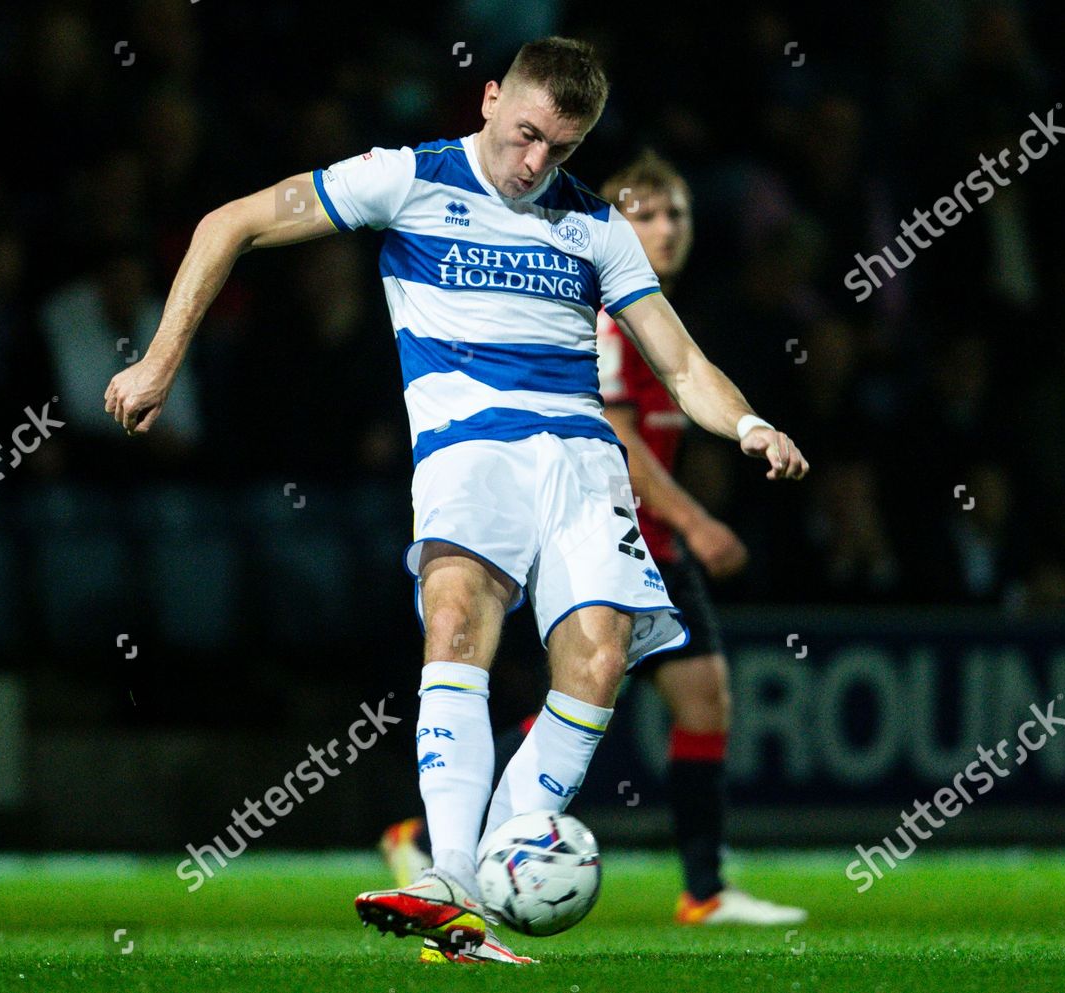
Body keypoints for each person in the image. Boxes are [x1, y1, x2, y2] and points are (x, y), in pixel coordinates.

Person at [103, 37, 808, 963]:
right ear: (486, 99)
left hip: (579, 462)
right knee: (455, 617)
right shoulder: (406, 178)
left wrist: (750, 424)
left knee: (596, 660)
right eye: (523, 136)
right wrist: (159, 358)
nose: (533, 165)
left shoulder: (595, 227)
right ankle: (449, 877)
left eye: (559, 149)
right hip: (467, 451)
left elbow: (679, 363)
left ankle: (481, 879)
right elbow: (226, 223)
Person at [380, 150, 806, 926]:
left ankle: (696, 886)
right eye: (646, 213)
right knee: (606, 683)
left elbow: (676, 395)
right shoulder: (601, 320)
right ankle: (452, 844)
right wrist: (696, 517)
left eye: (676, 212)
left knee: (672, 694)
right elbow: (616, 434)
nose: (665, 227)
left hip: (645, 542)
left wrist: (742, 432)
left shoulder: (657, 320)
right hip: (591, 530)